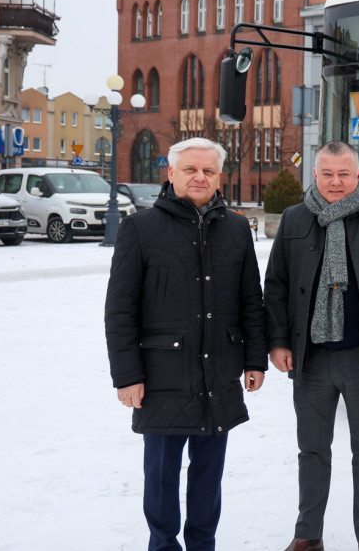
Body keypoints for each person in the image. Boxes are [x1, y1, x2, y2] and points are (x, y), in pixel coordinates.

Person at [104, 137, 267, 551]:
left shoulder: (235, 227)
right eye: (191, 169)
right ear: (171, 173)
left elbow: (251, 300)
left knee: (208, 476)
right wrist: (127, 376)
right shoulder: (140, 228)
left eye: (208, 171)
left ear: (219, 177)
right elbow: (120, 310)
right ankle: (163, 546)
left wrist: (255, 359)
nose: (200, 177)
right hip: (161, 377)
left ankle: (202, 545)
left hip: (219, 373)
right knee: (161, 476)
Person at [264, 141, 359, 551]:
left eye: (343, 174)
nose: (335, 182)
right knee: (311, 450)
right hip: (311, 358)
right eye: (327, 174)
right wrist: (278, 341)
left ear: (358, 176)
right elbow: (276, 285)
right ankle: (308, 535)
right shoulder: (296, 219)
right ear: (315, 175)